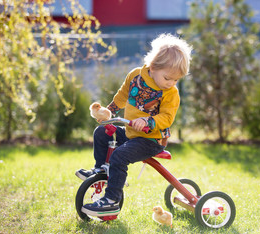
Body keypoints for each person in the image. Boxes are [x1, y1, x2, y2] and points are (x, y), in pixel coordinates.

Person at [76, 33, 192, 216]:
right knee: (102, 132)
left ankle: (112, 200)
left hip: (151, 140)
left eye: (176, 80)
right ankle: (100, 168)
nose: (171, 84)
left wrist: (148, 121)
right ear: (153, 67)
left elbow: (167, 118)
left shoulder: (170, 93)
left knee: (119, 156)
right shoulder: (135, 76)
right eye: (168, 78)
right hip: (131, 133)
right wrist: (110, 111)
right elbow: (123, 95)